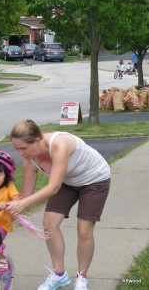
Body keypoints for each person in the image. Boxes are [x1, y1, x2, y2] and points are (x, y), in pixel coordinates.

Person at [6, 119, 111, 290]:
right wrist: (10, 208)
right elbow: (25, 196)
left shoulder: (59, 143)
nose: (20, 153)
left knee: (84, 230)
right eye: (16, 148)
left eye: (23, 148)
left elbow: (53, 186)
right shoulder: (29, 160)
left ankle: (82, 278)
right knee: (49, 224)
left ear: (37, 141)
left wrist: (23, 202)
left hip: (95, 180)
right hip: (67, 182)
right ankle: (59, 274)